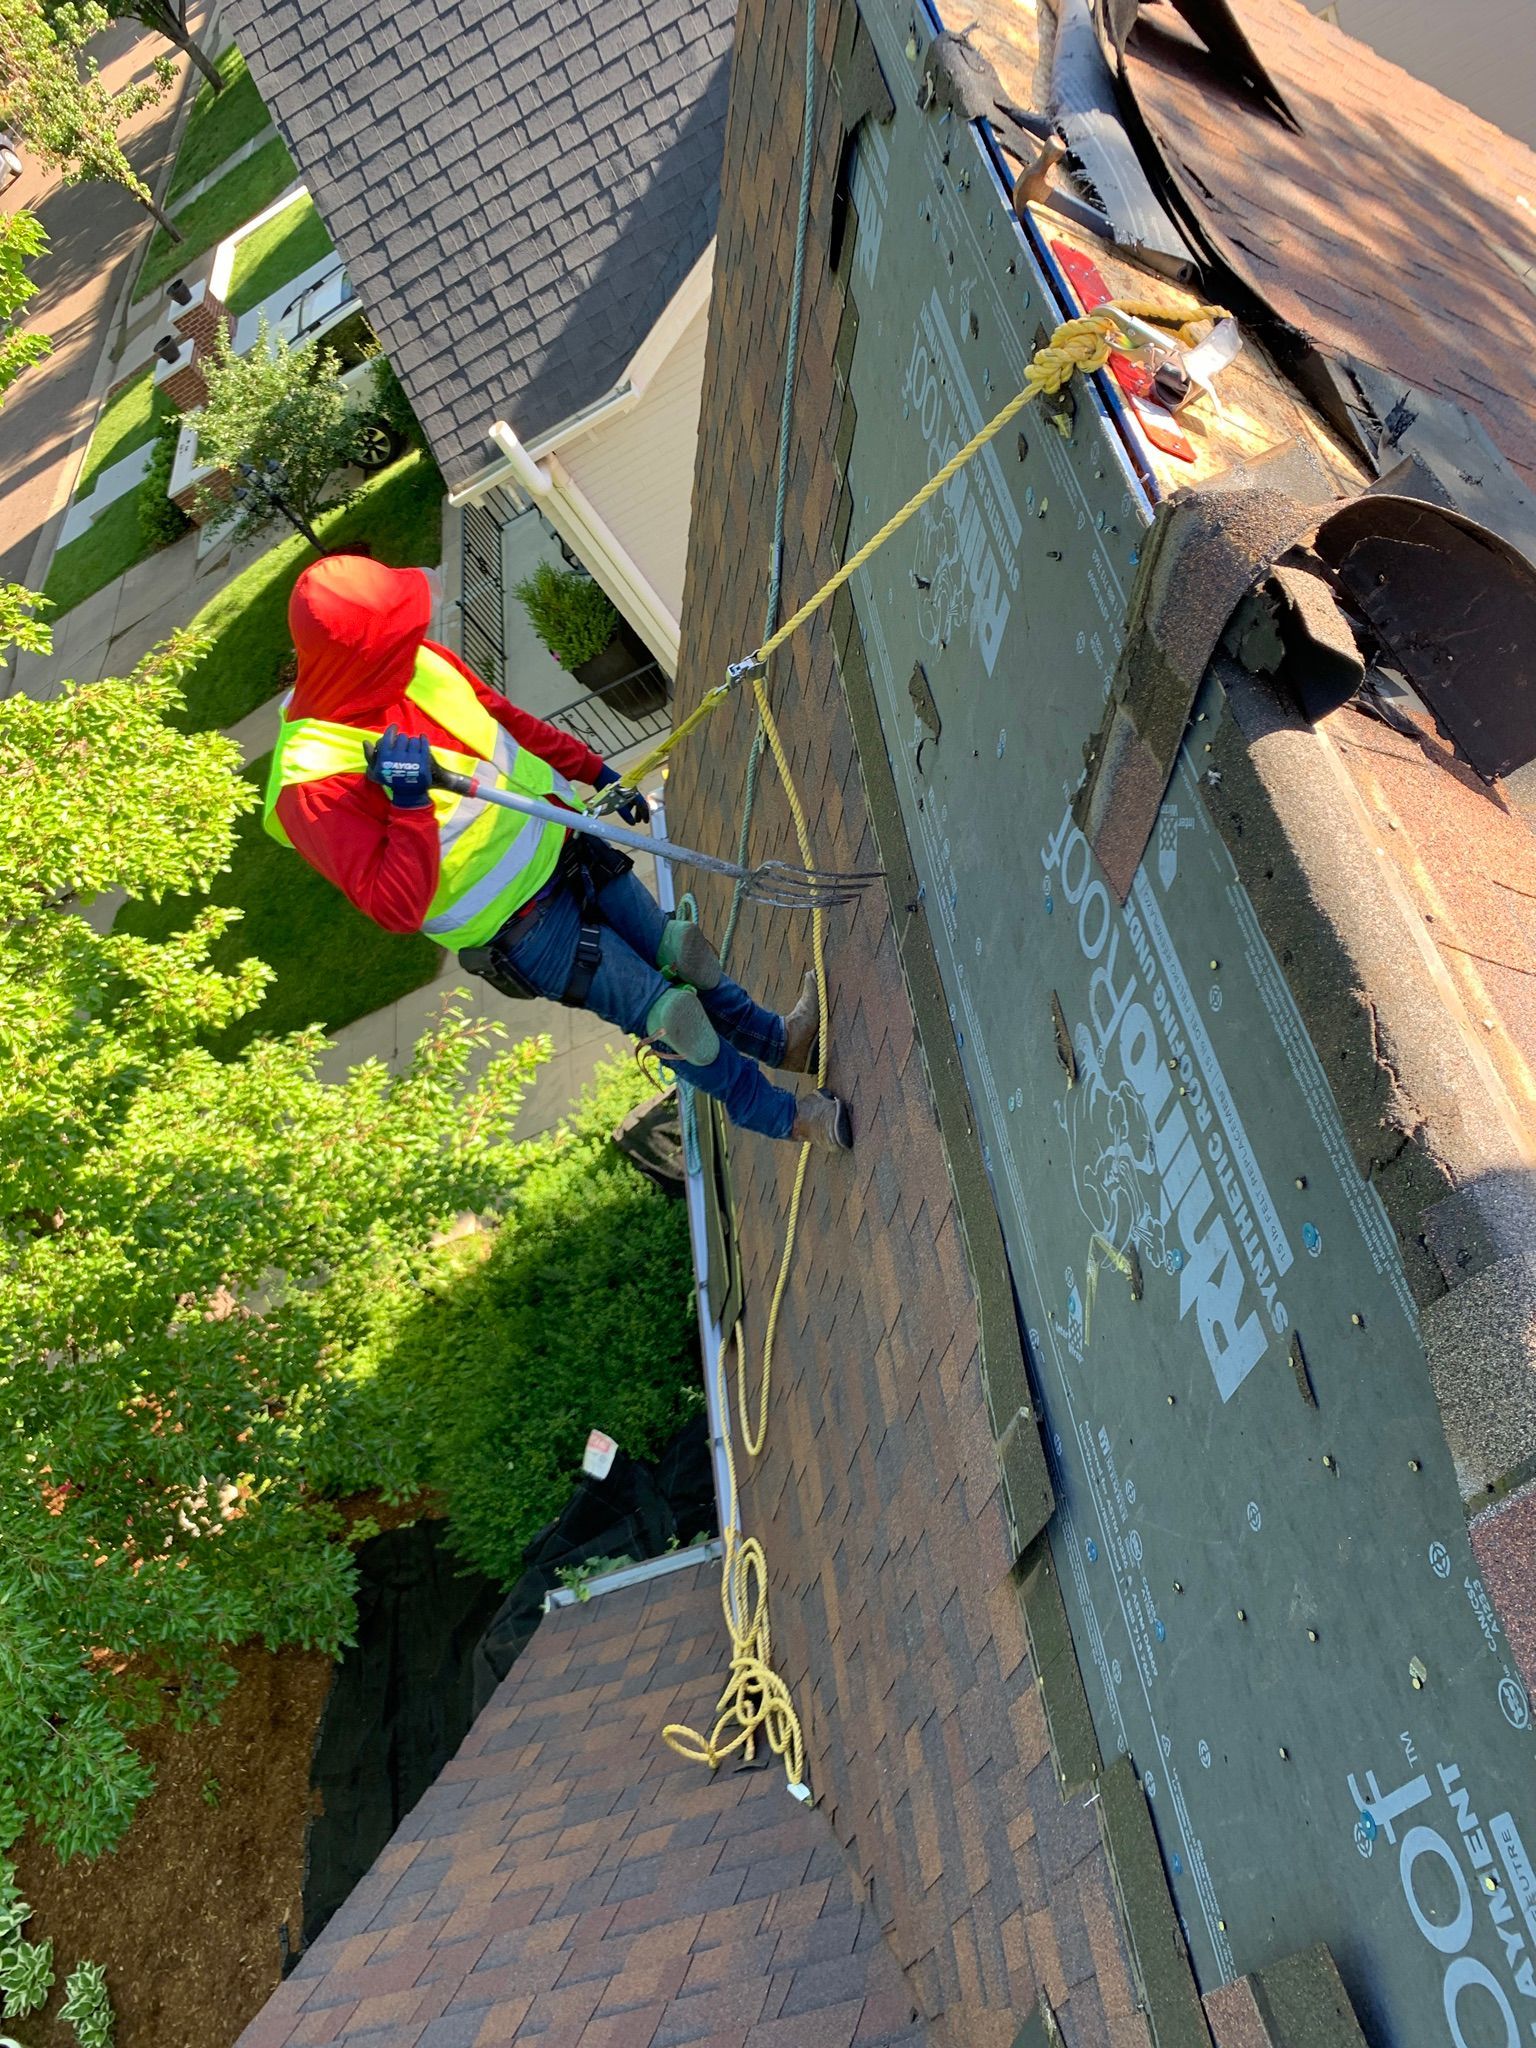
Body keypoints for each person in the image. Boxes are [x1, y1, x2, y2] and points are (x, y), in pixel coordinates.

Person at [262, 554, 852, 1150]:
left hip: (570, 847)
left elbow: (504, 721)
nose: (415, 640)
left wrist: (594, 771)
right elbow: (395, 906)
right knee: (672, 1017)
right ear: (362, 654)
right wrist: (411, 803)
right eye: (398, 636)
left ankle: (785, 1042)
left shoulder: (418, 665)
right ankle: (783, 1117)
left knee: (685, 956)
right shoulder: (313, 783)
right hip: (527, 929)